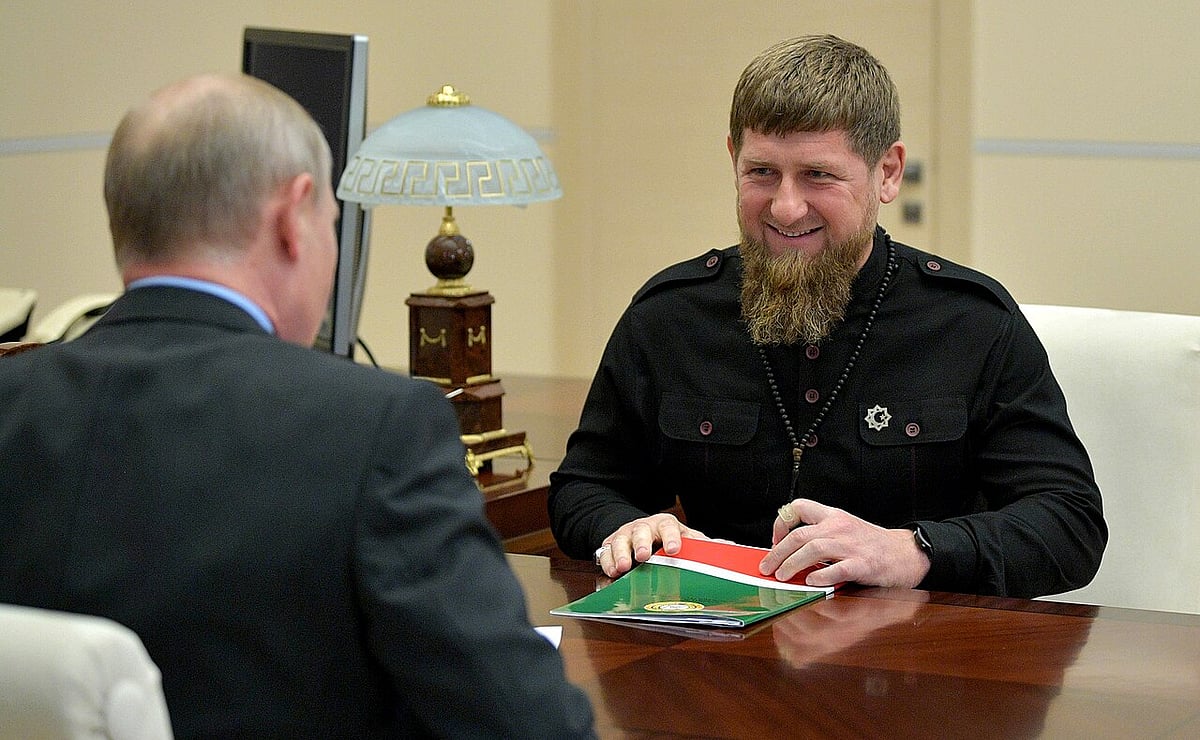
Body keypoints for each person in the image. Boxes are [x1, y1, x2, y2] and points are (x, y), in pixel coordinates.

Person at [0, 73, 594, 739]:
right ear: (292, 217)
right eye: (332, 224)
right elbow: (526, 724)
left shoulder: (12, 401)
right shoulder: (374, 428)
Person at [548, 35, 1106, 599]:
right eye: (761, 173)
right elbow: (584, 488)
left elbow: (1070, 524)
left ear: (887, 173)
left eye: (818, 175)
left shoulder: (973, 323)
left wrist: (912, 550)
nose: (786, 207)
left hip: (917, 659)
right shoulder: (668, 317)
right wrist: (625, 529)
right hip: (718, 660)